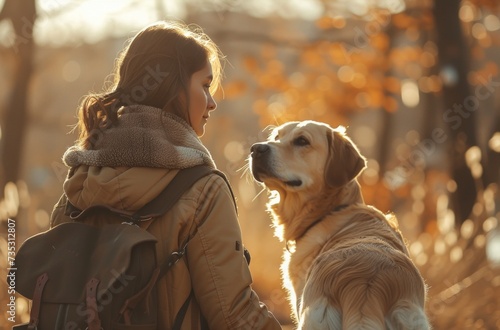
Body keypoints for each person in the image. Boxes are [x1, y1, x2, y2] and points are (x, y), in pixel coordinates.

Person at [50, 20, 282, 329]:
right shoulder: (203, 190)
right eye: (204, 85)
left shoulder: (79, 182)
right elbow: (234, 316)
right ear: (171, 86)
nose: (212, 102)